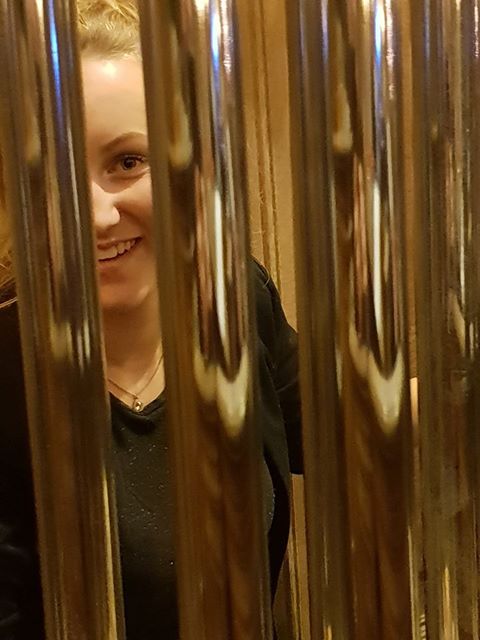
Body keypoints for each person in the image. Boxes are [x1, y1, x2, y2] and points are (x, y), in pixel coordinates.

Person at [0, 1, 302, 638]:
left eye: (127, 162)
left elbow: (343, 416)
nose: (95, 216)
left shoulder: (229, 295)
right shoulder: (9, 377)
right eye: (52, 173)